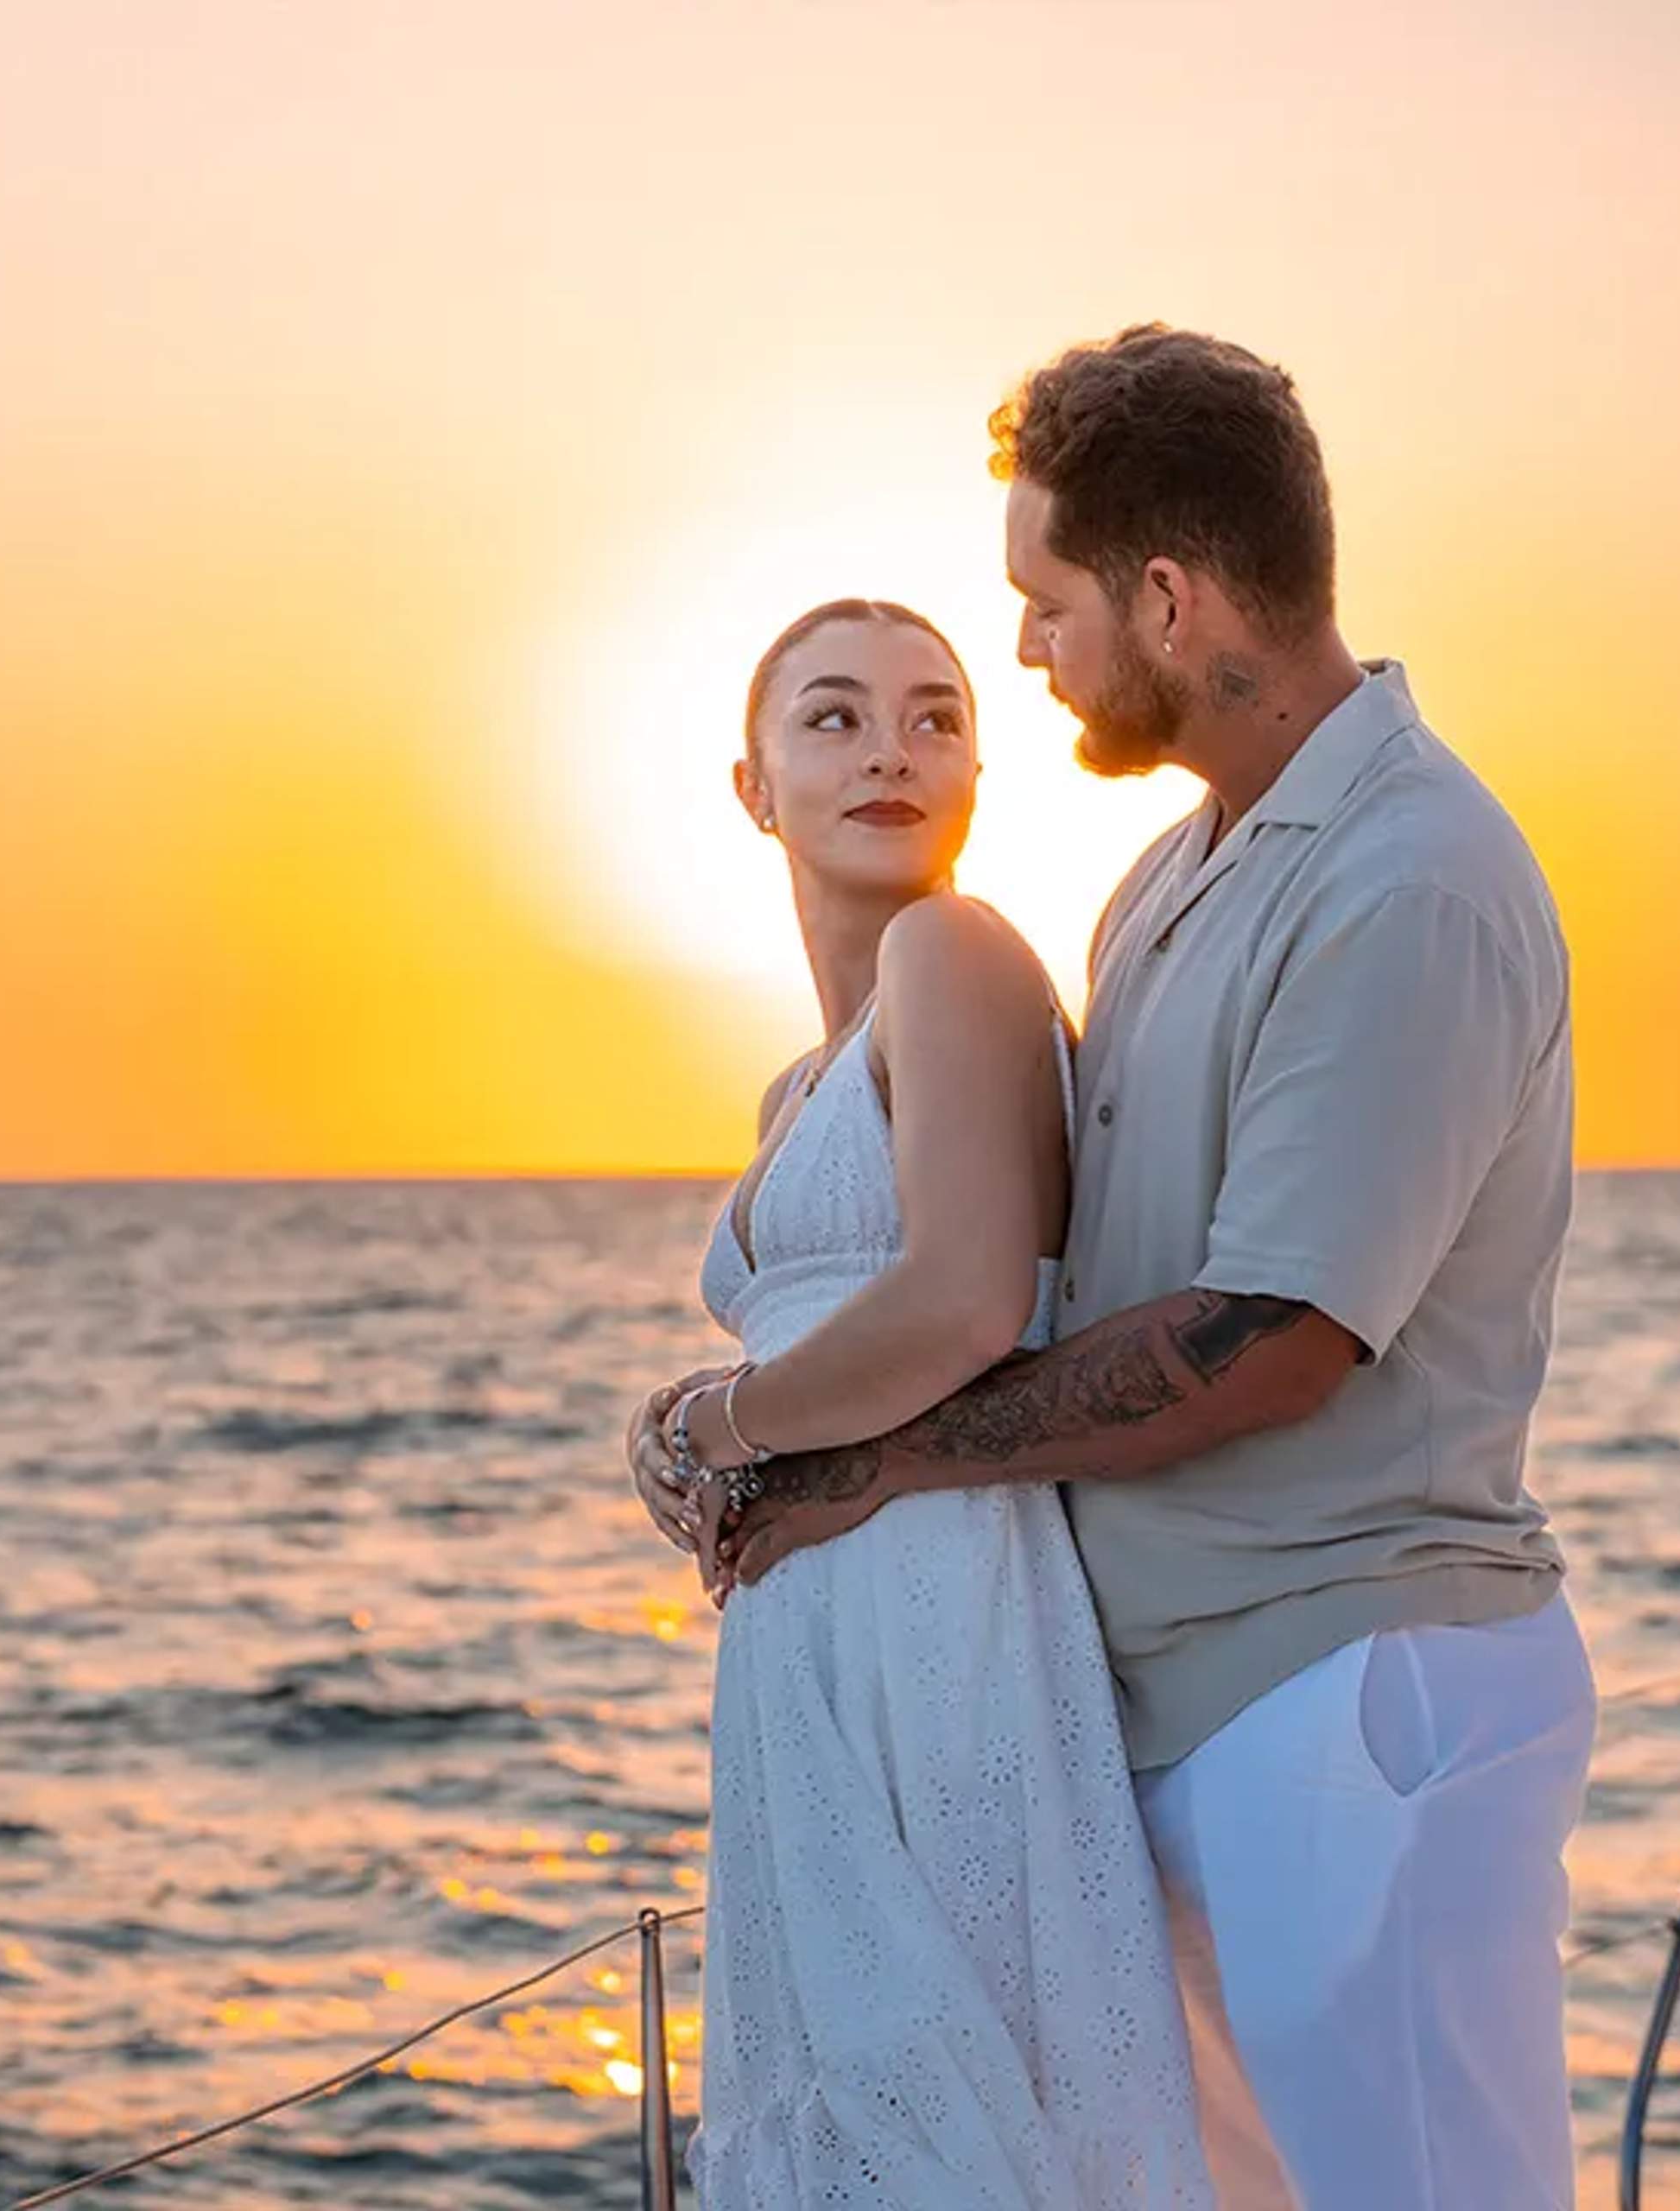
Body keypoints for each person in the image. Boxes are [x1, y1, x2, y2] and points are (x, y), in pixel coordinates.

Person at [642, 326, 1597, 2209]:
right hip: (1170, 1706)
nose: (1022, 652)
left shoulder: (1403, 873)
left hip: (1348, 1680)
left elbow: (1266, 1341)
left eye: (1043, 602)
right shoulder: (1174, 880)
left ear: (1165, 596)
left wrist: (844, 1448)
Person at [627, 597, 1213, 2208]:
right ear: (751, 787)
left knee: (954, 2087)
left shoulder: (952, 955)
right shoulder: (794, 1086)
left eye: (935, 715)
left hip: (942, 1601)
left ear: (972, 772)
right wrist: (700, 1419)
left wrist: (712, 1427)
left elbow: (962, 1303)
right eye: (833, 717)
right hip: (811, 1643)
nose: (890, 745)